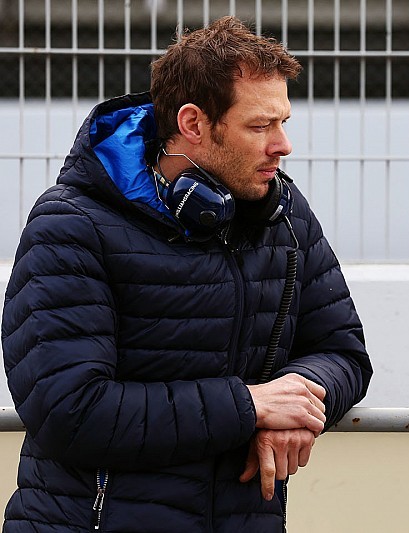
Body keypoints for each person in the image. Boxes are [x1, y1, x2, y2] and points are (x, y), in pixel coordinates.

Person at [1, 16, 371, 532]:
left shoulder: (282, 213)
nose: (282, 145)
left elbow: (343, 353)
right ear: (194, 123)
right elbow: (70, 410)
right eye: (260, 126)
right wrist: (249, 405)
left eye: (283, 122)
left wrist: (299, 397)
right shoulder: (71, 224)